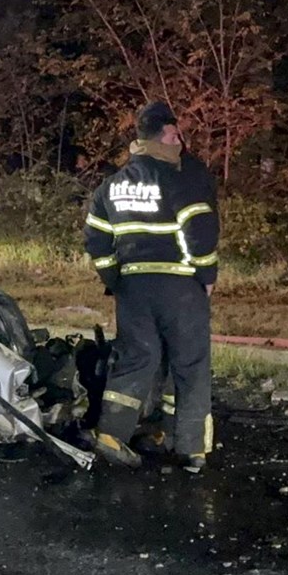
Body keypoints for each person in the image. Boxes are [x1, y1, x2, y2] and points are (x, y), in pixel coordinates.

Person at [83, 101, 219, 473]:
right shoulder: (178, 180)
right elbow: (201, 233)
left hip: (133, 288)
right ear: (166, 136)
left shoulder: (110, 187)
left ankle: (111, 434)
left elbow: (96, 241)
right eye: (176, 135)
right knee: (190, 363)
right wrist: (206, 277)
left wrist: (115, 280)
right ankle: (189, 448)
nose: (180, 142)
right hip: (180, 287)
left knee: (137, 358)